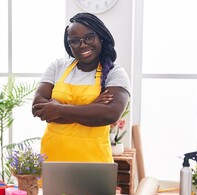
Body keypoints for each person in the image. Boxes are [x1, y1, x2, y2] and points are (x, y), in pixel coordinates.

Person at [32, 12, 130, 163]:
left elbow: (110, 114)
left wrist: (58, 110)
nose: (83, 44)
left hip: (94, 163)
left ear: (100, 37)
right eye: (75, 41)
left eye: (89, 37)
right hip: (53, 158)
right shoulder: (58, 67)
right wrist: (92, 107)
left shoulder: (114, 73)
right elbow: (39, 108)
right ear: (69, 45)